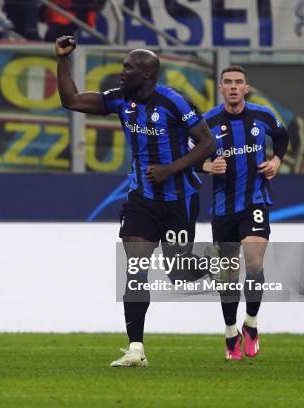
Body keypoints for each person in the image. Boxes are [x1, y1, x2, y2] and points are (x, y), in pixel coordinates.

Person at [55, 36, 215, 367]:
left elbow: (207, 143)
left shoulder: (175, 102)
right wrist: (62, 59)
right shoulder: (121, 100)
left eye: (128, 67)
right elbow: (71, 100)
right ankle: (136, 349)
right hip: (141, 199)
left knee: (179, 273)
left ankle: (215, 265)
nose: (121, 71)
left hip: (178, 201)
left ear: (147, 74)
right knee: (136, 267)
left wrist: (171, 169)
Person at [201, 65, 289, 360]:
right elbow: (187, 156)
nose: (234, 86)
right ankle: (230, 331)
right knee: (227, 274)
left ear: (246, 87)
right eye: (228, 82)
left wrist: (276, 160)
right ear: (221, 89)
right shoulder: (207, 121)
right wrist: (207, 166)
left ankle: (250, 323)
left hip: (255, 201)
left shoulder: (262, 115)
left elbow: (283, 135)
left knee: (253, 262)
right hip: (223, 208)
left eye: (239, 82)